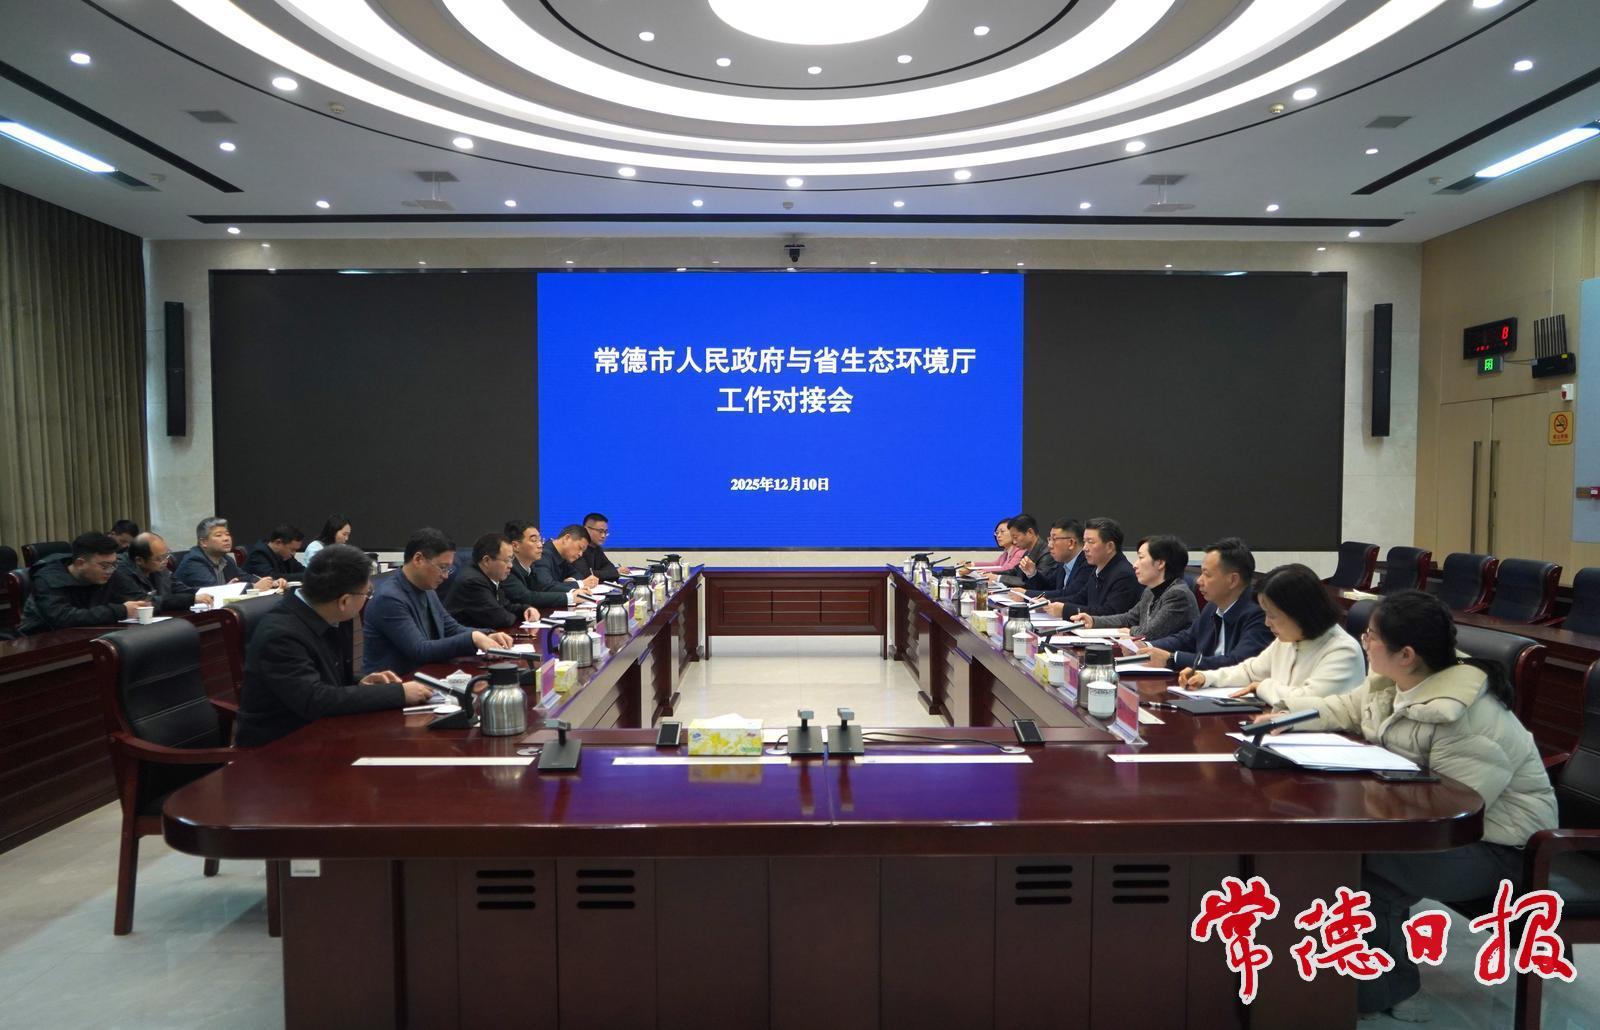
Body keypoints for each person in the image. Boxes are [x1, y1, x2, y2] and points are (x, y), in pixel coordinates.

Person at [1254, 590, 1559, 1021]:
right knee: (1343, 859)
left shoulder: (1466, 717)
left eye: (1371, 635)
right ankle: (1358, 983)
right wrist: (1286, 718)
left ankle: (1385, 990)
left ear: (1407, 654)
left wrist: (1365, 799)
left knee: (1354, 864)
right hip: (1431, 825)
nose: (1363, 640)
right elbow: (1344, 707)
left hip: (1500, 848)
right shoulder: (1394, 681)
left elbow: (1451, 812)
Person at [235, 544, 434, 747]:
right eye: (367, 593)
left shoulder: (330, 615)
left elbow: (330, 680)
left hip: (320, 735)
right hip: (277, 748)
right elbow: (315, 699)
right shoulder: (280, 635)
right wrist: (399, 693)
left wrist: (362, 682)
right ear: (344, 601)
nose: (367, 599)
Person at [1179, 563, 1364, 706]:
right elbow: (1249, 671)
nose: (1267, 623)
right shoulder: (1288, 639)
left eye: (1272, 615)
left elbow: (1308, 701)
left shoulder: (1342, 650)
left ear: (1300, 612)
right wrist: (1207, 678)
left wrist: (1263, 687)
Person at [362, 527, 514, 677]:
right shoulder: (389, 598)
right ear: (418, 559)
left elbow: (450, 628)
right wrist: (472, 639)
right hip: (398, 683)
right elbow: (419, 650)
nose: (446, 576)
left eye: (448, 569)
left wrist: (486, 634)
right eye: (442, 567)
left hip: (426, 675)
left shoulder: (427, 588)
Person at [1141, 537, 1273, 672]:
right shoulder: (1213, 606)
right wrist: (1146, 646)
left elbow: (1238, 663)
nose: (1199, 581)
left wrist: (1173, 658)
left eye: (1207, 574)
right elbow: (1186, 639)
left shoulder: (1260, 613)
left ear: (1233, 580)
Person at [1070, 535, 1197, 640]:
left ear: (1160, 563)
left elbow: (1150, 633)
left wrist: (1130, 631)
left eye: (1141, 558)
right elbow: (1129, 618)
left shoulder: (1178, 595)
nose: (1135, 565)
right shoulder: (1150, 591)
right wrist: (1093, 621)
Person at [19, 532, 147, 633]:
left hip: (90, 634)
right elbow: (63, 618)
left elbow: (138, 597)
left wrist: (147, 603)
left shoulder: (109, 572)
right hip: (41, 640)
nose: (111, 570)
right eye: (105, 565)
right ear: (80, 563)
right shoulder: (48, 578)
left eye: (114, 564)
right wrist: (120, 611)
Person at [1046, 517, 1140, 617]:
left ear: (1110, 546)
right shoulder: (1098, 569)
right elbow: (1080, 598)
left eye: (1090, 542)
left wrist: (1065, 610)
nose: (1085, 548)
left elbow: (1110, 613)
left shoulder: (1124, 575)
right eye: (1084, 542)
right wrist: (1048, 603)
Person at [444, 533, 541, 630]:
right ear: (486, 561)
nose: (511, 565)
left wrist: (526, 609)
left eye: (511, 559)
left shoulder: (490, 576)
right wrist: (517, 616)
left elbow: (505, 606)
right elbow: (501, 619)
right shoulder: (472, 582)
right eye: (507, 560)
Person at [110, 532, 209, 613]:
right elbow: (145, 602)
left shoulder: (159, 566)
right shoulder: (120, 571)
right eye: (160, 558)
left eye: (167, 555)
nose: (165, 561)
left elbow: (180, 588)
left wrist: (208, 594)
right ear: (139, 560)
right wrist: (190, 599)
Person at [175, 517, 278, 591]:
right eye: (218, 535)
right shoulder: (194, 561)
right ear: (203, 542)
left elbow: (245, 577)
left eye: (227, 534)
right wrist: (253, 587)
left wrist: (271, 582)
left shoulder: (226, 559)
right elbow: (213, 590)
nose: (226, 538)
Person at [503, 521, 575, 611]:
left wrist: (573, 592)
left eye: (540, 540)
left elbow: (543, 589)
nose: (540, 545)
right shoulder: (508, 570)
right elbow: (528, 597)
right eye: (534, 540)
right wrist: (570, 597)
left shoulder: (532, 567)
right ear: (515, 546)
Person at [534, 525, 601, 594]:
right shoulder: (542, 554)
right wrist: (581, 584)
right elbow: (546, 586)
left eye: (583, 551)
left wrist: (571, 580)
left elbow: (577, 574)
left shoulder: (563, 556)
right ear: (566, 538)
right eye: (580, 548)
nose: (580, 554)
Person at [997, 515, 1050, 587]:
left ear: (1030, 532)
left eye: (1015, 537)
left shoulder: (1047, 554)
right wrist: (992, 574)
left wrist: (998, 578)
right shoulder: (1027, 552)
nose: (1014, 542)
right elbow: (1015, 571)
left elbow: (1037, 584)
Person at [571, 512, 621, 582]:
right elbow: (586, 575)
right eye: (600, 531)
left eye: (605, 532)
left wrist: (611, 572)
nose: (603, 535)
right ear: (586, 529)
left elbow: (611, 568)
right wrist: (612, 572)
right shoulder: (577, 548)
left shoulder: (597, 548)